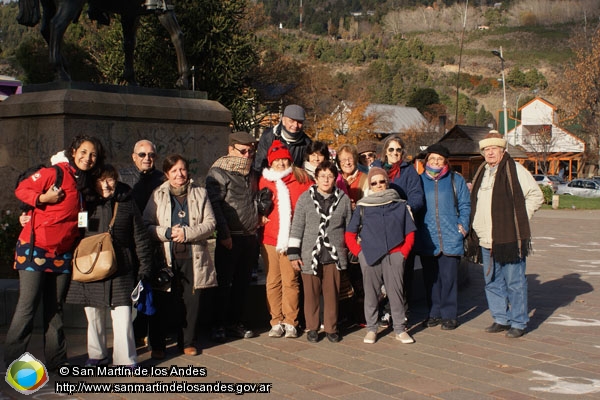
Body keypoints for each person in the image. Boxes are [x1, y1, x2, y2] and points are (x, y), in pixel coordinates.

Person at [4, 135, 105, 371]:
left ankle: (57, 360)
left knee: (55, 308)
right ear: (73, 151)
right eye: (83, 152)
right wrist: (42, 198)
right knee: (27, 306)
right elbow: (22, 189)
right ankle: (11, 360)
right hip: (34, 249)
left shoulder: (85, 183)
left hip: (63, 254)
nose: (87, 158)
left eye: (92, 154)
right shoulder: (55, 172)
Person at [66, 164, 152, 367]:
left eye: (110, 179)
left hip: (121, 266)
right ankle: (97, 355)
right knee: (93, 315)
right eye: (100, 180)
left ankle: (125, 360)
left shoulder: (126, 201)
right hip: (90, 265)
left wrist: (144, 267)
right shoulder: (85, 203)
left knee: (122, 315)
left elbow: (139, 236)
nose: (105, 184)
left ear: (116, 179)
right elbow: (73, 231)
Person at [468, 131, 543, 338]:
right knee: (492, 281)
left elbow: (536, 196)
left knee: (515, 282)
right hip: (485, 238)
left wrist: (518, 219)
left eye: (494, 149)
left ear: (502, 150)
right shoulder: (482, 171)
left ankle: (519, 321)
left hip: (509, 238)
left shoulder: (515, 170)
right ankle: (500, 318)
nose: (490, 153)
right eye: (486, 149)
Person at [144, 154, 217, 358]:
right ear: (167, 174)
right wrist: (167, 233)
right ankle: (158, 345)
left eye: (182, 169)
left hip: (193, 256)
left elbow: (210, 224)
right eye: (174, 170)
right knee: (162, 300)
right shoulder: (157, 194)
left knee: (191, 301)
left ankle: (188, 341)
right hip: (165, 257)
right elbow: (146, 225)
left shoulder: (200, 194)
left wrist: (187, 233)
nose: (179, 174)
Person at [345, 167, 417, 344]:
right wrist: (359, 253)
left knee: (396, 293)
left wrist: (403, 253)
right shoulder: (363, 206)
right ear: (370, 185)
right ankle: (371, 328)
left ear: (387, 182)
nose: (378, 185)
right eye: (374, 182)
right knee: (371, 294)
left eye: (381, 181)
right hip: (370, 256)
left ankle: (400, 328)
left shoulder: (400, 204)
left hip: (394, 255)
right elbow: (349, 234)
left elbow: (410, 232)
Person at [288, 161, 352, 343]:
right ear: (315, 178)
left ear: (335, 179)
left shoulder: (343, 199)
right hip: (310, 254)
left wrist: (351, 249)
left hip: (333, 255)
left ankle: (332, 328)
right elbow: (297, 226)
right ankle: (313, 327)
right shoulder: (305, 199)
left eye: (330, 176)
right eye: (322, 176)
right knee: (311, 295)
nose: (326, 179)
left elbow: (349, 227)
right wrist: (294, 254)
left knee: (332, 294)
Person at [206, 131, 260, 342]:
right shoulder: (218, 172)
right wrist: (224, 234)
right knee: (224, 284)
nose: (247, 155)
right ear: (230, 150)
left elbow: (254, 198)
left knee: (242, 284)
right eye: (243, 151)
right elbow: (215, 206)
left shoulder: (252, 172)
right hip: (230, 237)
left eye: (250, 151)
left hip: (249, 235)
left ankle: (235, 322)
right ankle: (217, 324)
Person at [259, 141, 313, 338]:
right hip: (269, 238)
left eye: (284, 159)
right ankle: (276, 320)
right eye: (277, 160)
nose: (281, 163)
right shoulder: (264, 180)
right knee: (273, 280)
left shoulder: (301, 178)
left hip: (292, 238)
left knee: (291, 280)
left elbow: (312, 201)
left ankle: (291, 321)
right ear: (270, 162)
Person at [415, 144, 471, 331]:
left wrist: (462, 228)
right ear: (426, 161)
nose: (436, 162)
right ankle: (434, 313)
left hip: (450, 235)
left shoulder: (456, 180)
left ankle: (449, 315)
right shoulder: (419, 180)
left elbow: (465, 204)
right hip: (427, 237)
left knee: (449, 278)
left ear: (445, 161)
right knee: (431, 279)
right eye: (432, 159)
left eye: (439, 159)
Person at [118, 139, 165, 348]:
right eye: (142, 154)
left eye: (151, 155)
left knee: (150, 287)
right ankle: (131, 333)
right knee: (129, 287)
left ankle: (143, 332)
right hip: (129, 240)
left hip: (153, 239)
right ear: (134, 156)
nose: (147, 158)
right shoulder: (123, 177)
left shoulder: (161, 178)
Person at [377, 135, 425, 320]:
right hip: (381, 228)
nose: (395, 153)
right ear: (385, 152)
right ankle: (384, 309)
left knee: (402, 272)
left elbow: (417, 197)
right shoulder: (377, 169)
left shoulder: (408, 171)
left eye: (398, 150)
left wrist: (404, 208)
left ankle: (400, 311)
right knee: (382, 273)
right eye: (391, 150)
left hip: (402, 227)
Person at [253, 105, 312, 173]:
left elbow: (306, 170)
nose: (296, 125)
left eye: (299, 122)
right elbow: (260, 164)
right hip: (270, 179)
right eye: (291, 121)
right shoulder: (269, 136)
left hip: (294, 180)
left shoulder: (307, 143)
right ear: (283, 120)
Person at [336, 144, 369, 210]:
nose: (347, 162)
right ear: (339, 162)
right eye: (343, 160)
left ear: (355, 160)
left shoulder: (365, 179)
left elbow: (367, 205)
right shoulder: (334, 178)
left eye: (350, 159)